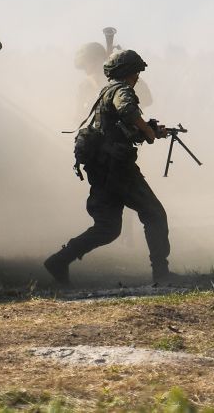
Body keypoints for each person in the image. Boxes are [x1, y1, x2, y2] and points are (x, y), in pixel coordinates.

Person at [46, 50, 174, 285]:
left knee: (108, 228)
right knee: (154, 214)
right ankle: (162, 273)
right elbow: (127, 110)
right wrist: (147, 130)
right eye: (136, 72)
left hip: (103, 169)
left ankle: (60, 260)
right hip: (118, 169)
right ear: (128, 73)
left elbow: (116, 129)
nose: (137, 77)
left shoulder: (106, 90)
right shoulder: (122, 90)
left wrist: (151, 130)